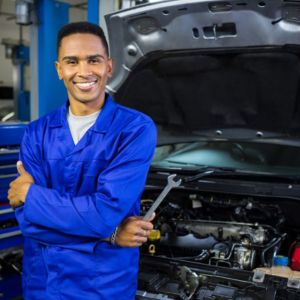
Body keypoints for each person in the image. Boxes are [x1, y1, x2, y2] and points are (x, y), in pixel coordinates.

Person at [8, 21, 157, 299]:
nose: (84, 71)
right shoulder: (36, 132)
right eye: (72, 61)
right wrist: (110, 235)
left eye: (94, 60)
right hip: (44, 282)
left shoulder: (135, 129)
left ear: (109, 66)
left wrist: (31, 194)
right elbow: (28, 222)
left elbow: (103, 215)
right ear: (59, 70)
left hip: (102, 286)